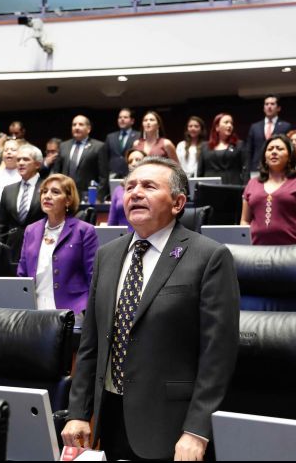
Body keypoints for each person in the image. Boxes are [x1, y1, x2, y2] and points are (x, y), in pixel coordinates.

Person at [62, 156, 240, 461]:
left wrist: (197, 431)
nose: (135, 192)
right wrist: (78, 412)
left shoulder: (209, 256)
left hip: (172, 428)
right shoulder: (107, 255)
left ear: (177, 202)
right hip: (112, 419)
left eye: (148, 186)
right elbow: (91, 343)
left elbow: (218, 354)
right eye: (130, 186)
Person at [17, 174, 98, 320]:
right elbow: (22, 273)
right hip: (34, 309)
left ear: (68, 200)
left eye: (55, 192)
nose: (47, 196)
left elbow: (92, 276)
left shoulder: (84, 230)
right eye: (44, 191)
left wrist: (89, 311)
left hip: (72, 311)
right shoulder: (31, 230)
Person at [241, 135, 296, 245]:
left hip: (293, 251)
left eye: (279, 148)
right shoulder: (252, 183)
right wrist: (246, 245)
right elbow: (245, 220)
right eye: (270, 149)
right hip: (256, 252)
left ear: (289, 156)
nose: (274, 152)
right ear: (264, 156)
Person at [0, 144, 46, 262]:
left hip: (40, 248)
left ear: (37, 164)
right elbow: (1, 226)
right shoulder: (8, 190)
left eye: (26, 159)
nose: (21, 163)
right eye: (18, 160)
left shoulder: (47, 188)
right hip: (12, 251)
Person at [52, 115, 108, 202]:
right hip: (64, 194)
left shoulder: (98, 146)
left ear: (88, 129)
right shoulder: (63, 146)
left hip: (87, 196)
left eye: (80, 124)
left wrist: (98, 198)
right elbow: (56, 171)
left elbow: (103, 176)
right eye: (74, 125)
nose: (76, 127)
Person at [197, 113, 249, 185]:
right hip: (210, 189)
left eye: (231, 123)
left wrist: (246, 188)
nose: (230, 125)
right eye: (226, 122)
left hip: (233, 187)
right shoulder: (205, 147)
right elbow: (200, 172)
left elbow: (246, 169)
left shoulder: (239, 145)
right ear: (217, 127)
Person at [246, 95, 293, 169]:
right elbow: (249, 150)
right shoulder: (254, 127)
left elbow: (289, 148)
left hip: (278, 167)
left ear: (278, 108)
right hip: (256, 167)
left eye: (272, 104)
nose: (269, 106)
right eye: (266, 104)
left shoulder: (286, 126)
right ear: (263, 108)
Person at [107, 148, 146, 228]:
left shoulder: (151, 188)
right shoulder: (118, 190)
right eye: (130, 161)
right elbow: (111, 224)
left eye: (137, 160)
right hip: (123, 238)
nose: (133, 163)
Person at [105, 108, 141, 178]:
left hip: (131, 173)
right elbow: (106, 157)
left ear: (132, 121)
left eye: (125, 117)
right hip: (113, 174)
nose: (122, 119)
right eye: (120, 117)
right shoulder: (110, 137)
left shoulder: (139, 136)